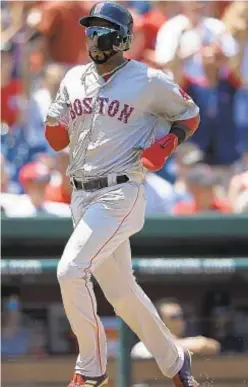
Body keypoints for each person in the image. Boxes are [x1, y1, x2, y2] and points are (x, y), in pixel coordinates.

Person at [45, 2, 200, 386]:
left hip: (121, 191)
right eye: (91, 28)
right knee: (122, 293)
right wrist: (54, 121)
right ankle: (176, 362)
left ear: (123, 37)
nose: (95, 35)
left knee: (70, 271)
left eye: (103, 28)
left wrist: (166, 142)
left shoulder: (148, 80)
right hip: (80, 196)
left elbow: (189, 114)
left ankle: (91, 369)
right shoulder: (73, 79)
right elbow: (55, 136)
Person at [131, 298, 221, 359]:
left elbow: (213, 346)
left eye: (182, 315)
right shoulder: (143, 346)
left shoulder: (185, 342)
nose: (181, 319)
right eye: (175, 316)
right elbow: (164, 350)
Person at [0, 161, 70, 217]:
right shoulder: (15, 205)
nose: (41, 188)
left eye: (44, 183)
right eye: (37, 184)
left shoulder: (52, 208)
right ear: (27, 185)